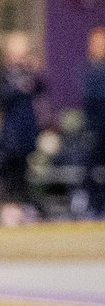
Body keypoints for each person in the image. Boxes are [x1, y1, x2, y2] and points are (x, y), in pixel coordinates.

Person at [0, 31, 44, 226]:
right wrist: (18, 87)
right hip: (10, 128)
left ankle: (23, 203)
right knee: (8, 168)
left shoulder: (29, 72)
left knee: (24, 168)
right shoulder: (2, 73)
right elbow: (0, 95)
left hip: (27, 127)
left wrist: (33, 71)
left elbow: (41, 87)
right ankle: (7, 204)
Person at [80, 26, 105, 218]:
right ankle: (93, 205)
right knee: (91, 169)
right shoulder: (88, 69)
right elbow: (92, 96)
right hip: (95, 127)